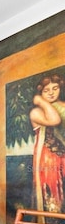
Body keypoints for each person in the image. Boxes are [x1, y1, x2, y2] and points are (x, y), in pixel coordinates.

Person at [29, 73, 65, 213]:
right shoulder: (36, 112)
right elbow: (55, 120)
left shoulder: (61, 106)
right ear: (39, 93)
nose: (51, 93)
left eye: (55, 88)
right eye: (46, 90)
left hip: (62, 154)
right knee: (52, 189)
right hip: (47, 156)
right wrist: (41, 102)